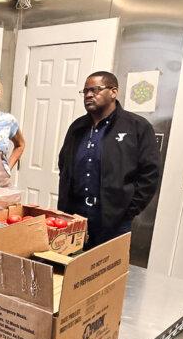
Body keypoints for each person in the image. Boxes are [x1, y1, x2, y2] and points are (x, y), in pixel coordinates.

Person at [57, 71, 161, 248]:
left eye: (95, 90)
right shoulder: (77, 127)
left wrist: (128, 210)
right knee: (73, 269)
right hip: (76, 217)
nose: (89, 95)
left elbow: (149, 174)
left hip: (114, 219)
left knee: (107, 270)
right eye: (85, 91)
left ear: (113, 92)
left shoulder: (136, 126)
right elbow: (64, 164)